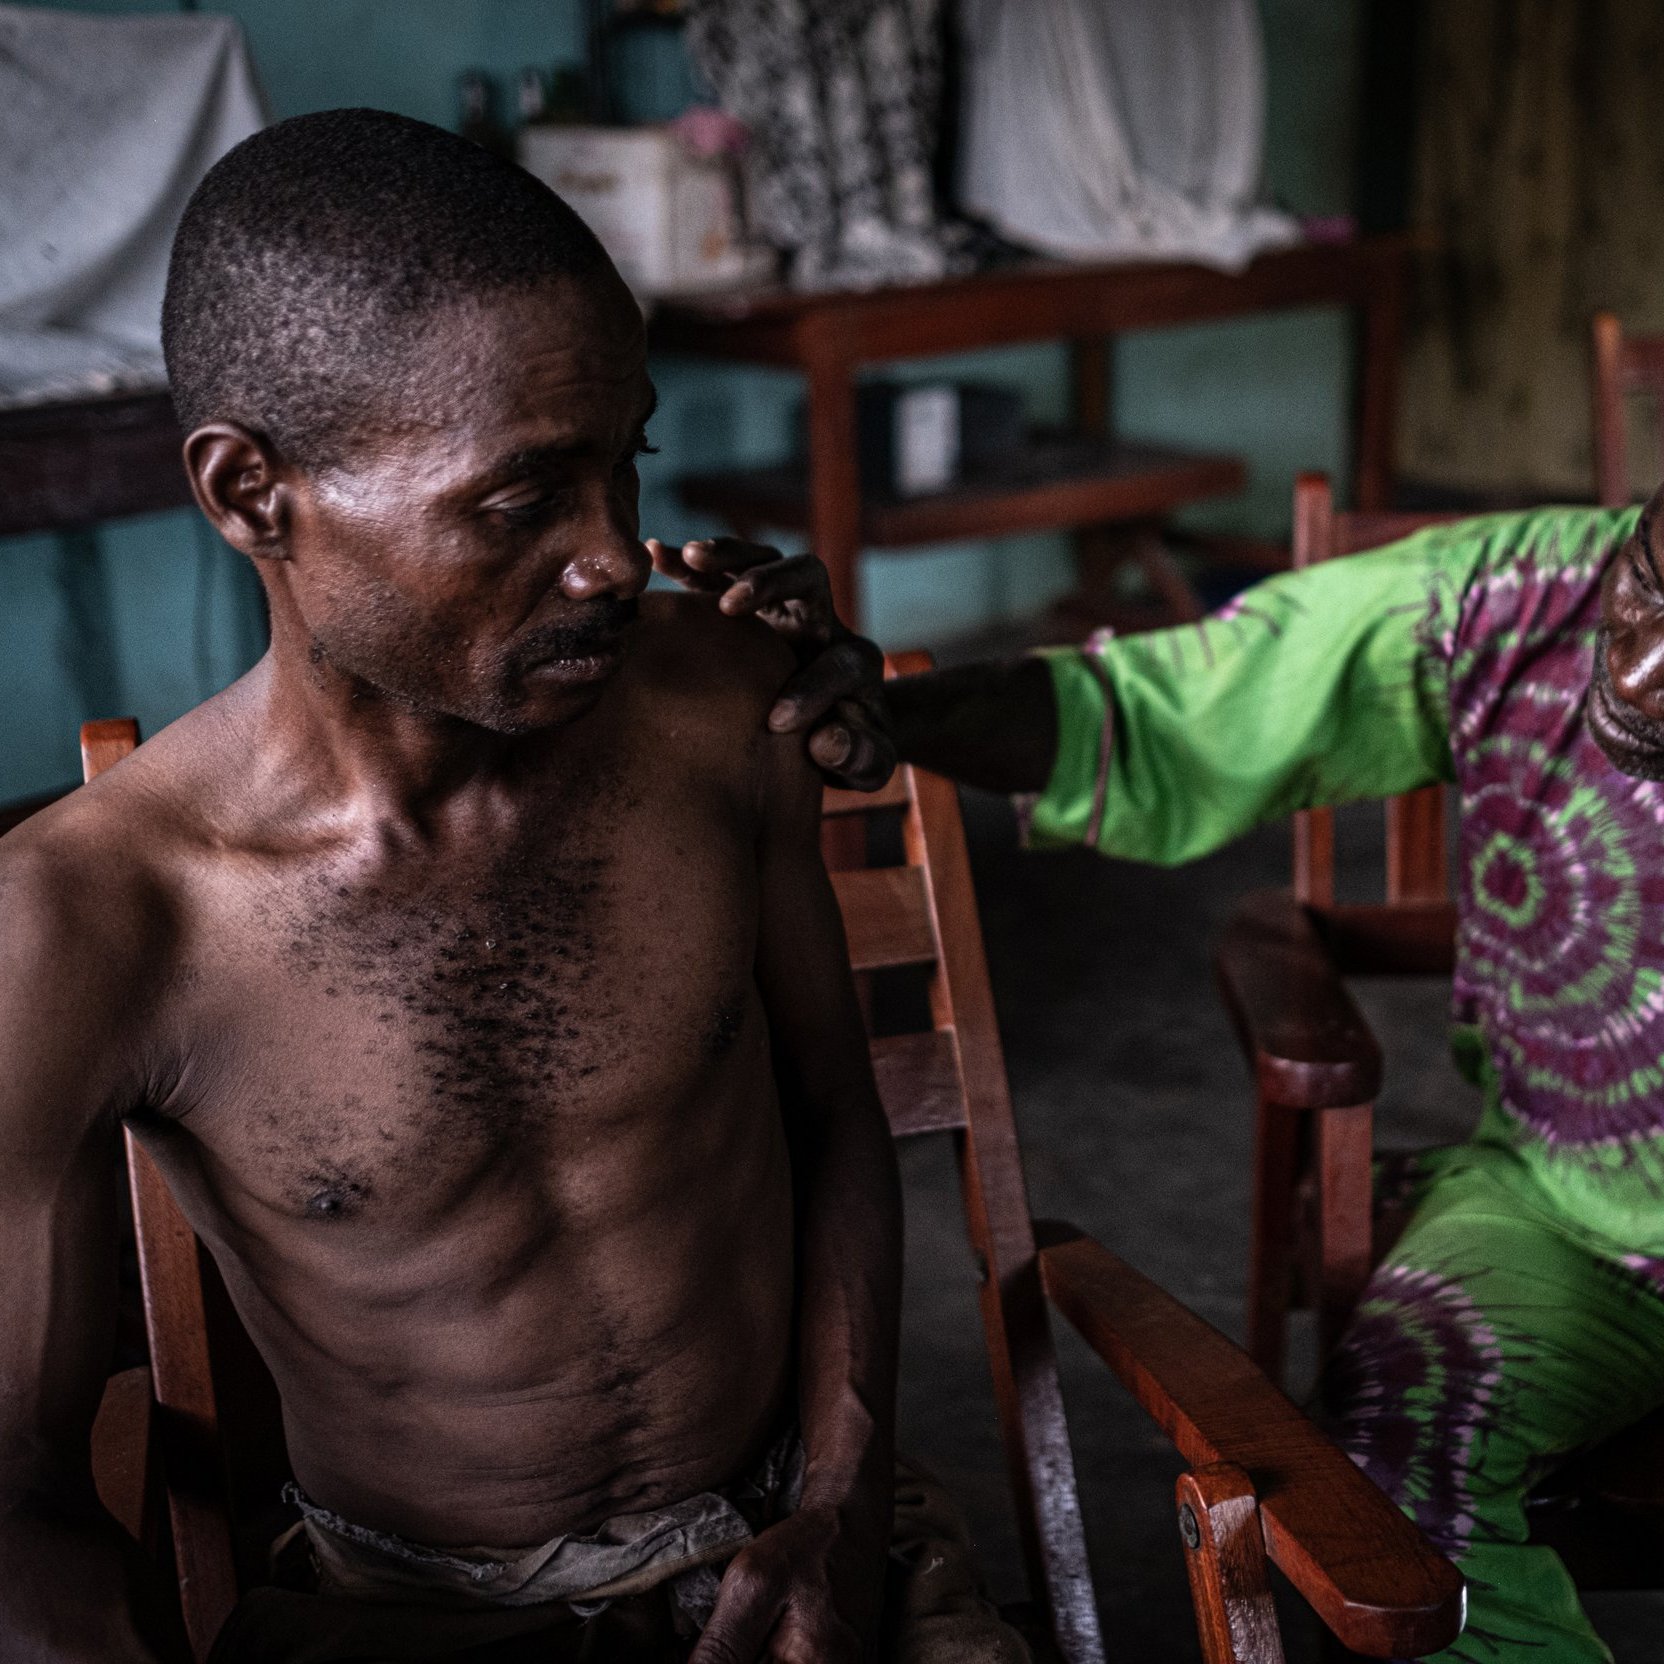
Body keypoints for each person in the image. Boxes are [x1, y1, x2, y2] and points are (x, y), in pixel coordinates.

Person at [0, 109, 1029, 1664]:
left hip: (801, 1529)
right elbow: (18, 1506)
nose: (616, 558)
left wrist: (838, 1503)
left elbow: (835, 1117)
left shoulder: (717, 718)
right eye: (519, 498)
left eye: (629, 467)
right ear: (248, 493)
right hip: (413, 1611)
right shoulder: (91, 926)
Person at [723, 496, 1664, 1663]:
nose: (1635, 675)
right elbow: (1167, 710)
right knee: (1384, 1480)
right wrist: (884, 715)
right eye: (1647, 583)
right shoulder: (1511, 598)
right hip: (1557, 1212)